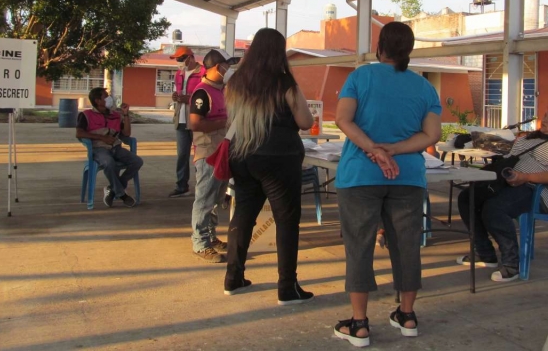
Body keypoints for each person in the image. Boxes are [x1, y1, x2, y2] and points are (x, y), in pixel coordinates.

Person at [333, 21, 441, 347]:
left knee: (359, 247)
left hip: (359, 176)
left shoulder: (360, 76)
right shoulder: (424, 87)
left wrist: (374, 150)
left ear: (380, 47)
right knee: (407, 245)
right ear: (408, 51)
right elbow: (431, 135)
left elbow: (342, 119)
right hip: (407, 176)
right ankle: (407, 316)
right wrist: (393, 149)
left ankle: (359, 324)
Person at [223, 28, 315, 304]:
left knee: (243, 215)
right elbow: (306, 122)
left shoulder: (237, 79)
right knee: (287, 221)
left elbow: (232, 119)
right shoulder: (284, 82)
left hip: (242, 154)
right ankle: (287, 287)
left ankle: (233, 278)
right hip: (279, 158)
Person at [456, 110, 548, 282]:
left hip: (536, 190)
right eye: (546, 114)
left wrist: (525, 177)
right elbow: (503, 149)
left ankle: (511, 264)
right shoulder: (530, 138)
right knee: (467, 198)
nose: (545, 119)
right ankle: (485, 253)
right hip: (507, 182)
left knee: (495, 208)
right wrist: (471, 139)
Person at [189, 49, 239, 263]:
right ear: (218, 67)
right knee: (204, 200)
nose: (230, 69)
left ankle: (210, 237)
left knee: (216, 199)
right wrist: (226, 124)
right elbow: (196, 123)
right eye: (228, 65)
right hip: (207, 154)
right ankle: (200, 243)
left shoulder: (223, 91)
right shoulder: (202, 93)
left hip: (222, 153)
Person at [76, 87, 144, 208]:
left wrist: (126, 114)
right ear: (97, 101)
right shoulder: (86, 115)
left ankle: (113, 189)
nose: (109, 99)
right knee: (108, 162)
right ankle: (122, 195)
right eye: (106, 96)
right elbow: (79, 134)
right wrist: (101, 138)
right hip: (99, 148)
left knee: (137, 161)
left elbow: (127, 134)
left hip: (116, 147)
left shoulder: (116, 115)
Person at [169, 46, 205, 198]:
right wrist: (176, 97)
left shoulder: (203, 72)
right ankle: (182, 185)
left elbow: (206, 94)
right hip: (181, 118)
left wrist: (189, 99)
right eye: (177, 59)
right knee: (182, 154)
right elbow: (180, 93)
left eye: (181, 59)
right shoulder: (179, 74)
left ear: (190, 57)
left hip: (196, 119)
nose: (179, 62)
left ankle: (202, 187)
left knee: (200, 155)